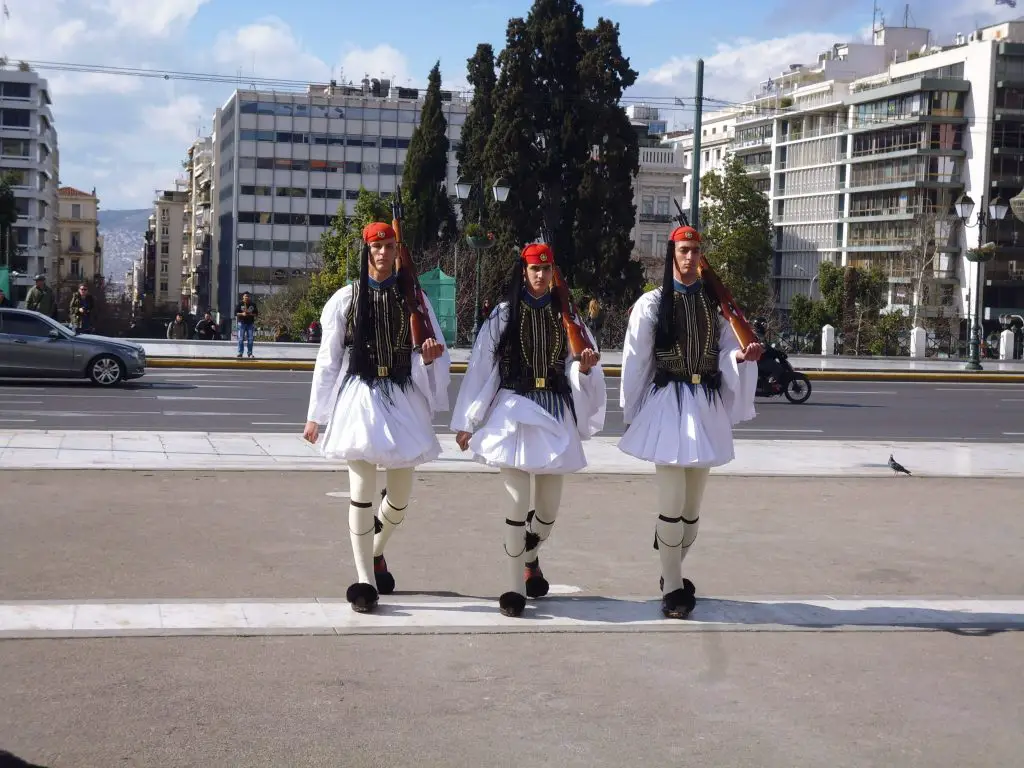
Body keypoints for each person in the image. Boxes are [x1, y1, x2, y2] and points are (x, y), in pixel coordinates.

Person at [451, 242, 606, 618]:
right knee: (516, 504)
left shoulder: (568, 317)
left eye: (547, 270)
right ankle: (513, 586)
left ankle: (530, 557)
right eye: (534, 270)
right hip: (513, 411)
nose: (540, 276)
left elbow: (581, 364)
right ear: (524, 273)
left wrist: (583, 368)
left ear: (554, 274)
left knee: (548, 512)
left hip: (553, 412)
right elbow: (482, 370)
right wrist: (467, 422)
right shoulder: (504, 315)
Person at [303, 222, 450, 613]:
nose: (383, 253)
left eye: (389, 246)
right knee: (362, 490)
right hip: (360, 398)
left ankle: (376, 551)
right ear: (366, 251)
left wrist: (429, 356)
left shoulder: (414, 299)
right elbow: (329, 359)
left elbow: (434, 351)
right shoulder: (346, 299)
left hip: (401, 397)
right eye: (376, 247)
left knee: (399, 500)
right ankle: (364, 582)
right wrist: (316, 416)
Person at [618, 225, 763, 620]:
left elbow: (727, 349)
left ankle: (672, 569)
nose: (691, 257)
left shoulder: (712, 306)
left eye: (696, 251)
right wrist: (631, 413)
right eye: (684, 250)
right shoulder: (652, 303)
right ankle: (674, 588)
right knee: (671, 503)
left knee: (692, 511)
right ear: (672, 254)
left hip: (704, 405)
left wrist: (741, 356)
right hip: (668, 403)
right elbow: (637, 360)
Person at [235, 292, 257, 358]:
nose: (246, 297)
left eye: (247, 296)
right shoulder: (240, 304)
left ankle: (250, 353)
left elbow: (256, 314)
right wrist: (242, 314)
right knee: (240, 338)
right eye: (245, 296)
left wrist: (250, 314)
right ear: (243, 297)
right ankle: (240, 353)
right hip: (241, 323)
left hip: (250, 323)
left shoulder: (252, 304)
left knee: (250, 339)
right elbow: (235, 313)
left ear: (249, 297)